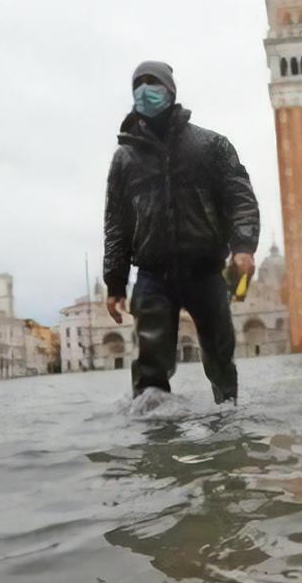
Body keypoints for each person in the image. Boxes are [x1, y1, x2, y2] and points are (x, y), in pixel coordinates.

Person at [102, 61, 260, 402]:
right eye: (138, 84)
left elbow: (241, 200)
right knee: (150, 368)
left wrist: (244, 246)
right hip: (152, 275)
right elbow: (116, 225)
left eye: (153, 82)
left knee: (220, 359)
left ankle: (228, 423)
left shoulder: (211, 145)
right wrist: (115, 283)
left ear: (171, 90)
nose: (145, 89)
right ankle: (156, 436)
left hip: (206, 271)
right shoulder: (124, 160)